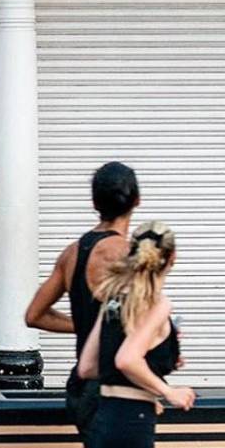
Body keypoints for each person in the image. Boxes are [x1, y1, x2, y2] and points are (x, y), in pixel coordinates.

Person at [25, 161, 138, 445]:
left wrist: (85, 325)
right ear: (137, 200)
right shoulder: (130, 256)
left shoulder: (72, 254)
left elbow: (34, 315)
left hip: (82, 390)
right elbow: (140, 326)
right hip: (118, 390)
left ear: (94, 203)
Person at [77, 222, 195, 447]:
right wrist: (168, 392)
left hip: (103, 416)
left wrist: (151, 374)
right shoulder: (157, 304)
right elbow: (126, 360)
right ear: (172, 257)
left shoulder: (113, 299)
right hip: (133, 420)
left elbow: (88, 367)